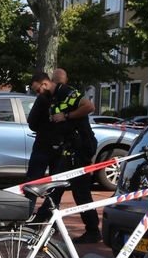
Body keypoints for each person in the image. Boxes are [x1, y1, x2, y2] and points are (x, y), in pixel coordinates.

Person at [29, 71, 101, 243]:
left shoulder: (65, 91)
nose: (38, 94)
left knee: (79, 191)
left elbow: (89, 107)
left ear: (45, 84)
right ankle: (40, 222)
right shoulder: (53, 97)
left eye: (38, 90)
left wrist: (66, 116)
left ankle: (92, 230)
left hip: (81, 148)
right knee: (57, 187)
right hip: (69, 148)